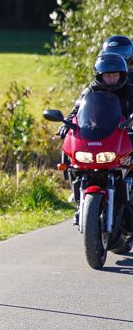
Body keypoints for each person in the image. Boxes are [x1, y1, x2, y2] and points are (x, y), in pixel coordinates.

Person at [58, 52, 131, 214]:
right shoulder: (91, 90)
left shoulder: (129, 91)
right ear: (100, 76)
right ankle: (76, 192)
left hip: (124, 135)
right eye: (108, 75)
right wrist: (67, 123)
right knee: (76, 163)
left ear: (121, 75)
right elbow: (77, 110)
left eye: (115, 75)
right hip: (98, 136)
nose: (112, 79)